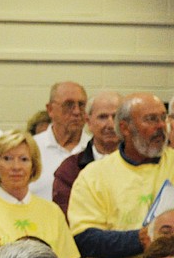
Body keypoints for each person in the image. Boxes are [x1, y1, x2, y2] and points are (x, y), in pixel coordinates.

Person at [69, 92, 174, 258]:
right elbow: (85, 240)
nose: (160, 126)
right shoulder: (94, 175)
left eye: (163, 118)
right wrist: (140, 239)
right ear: (125, 128)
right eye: (150, 119)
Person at [0, 130, 79, 258]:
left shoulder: (52, 211)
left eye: (24, 159)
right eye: (7, 159)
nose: (16, 167)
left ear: (33, 166)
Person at [52, 90, 122, 218]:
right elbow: (66, 218)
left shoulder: (142, 163)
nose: (111, 124)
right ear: (88, 122)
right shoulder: (70, 170)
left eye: (116, 117)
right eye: (102, 117)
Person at [29, 81, 90, 201]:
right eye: (69, 105)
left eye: (82, 105)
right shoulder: (31, 149)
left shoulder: (95, 149)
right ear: (50, 109)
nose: (77, 112)